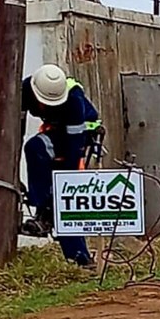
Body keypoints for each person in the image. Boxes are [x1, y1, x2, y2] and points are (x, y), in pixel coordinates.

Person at [20, 64, 101, 268]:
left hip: (80, 134)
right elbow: (16, 125)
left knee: (38, 148)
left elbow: (74, 145)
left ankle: (47, 214)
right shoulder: (25, 90)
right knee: (36, 149)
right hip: (56, 131)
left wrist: (68, 183)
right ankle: (78, 258)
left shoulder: (73, 99)